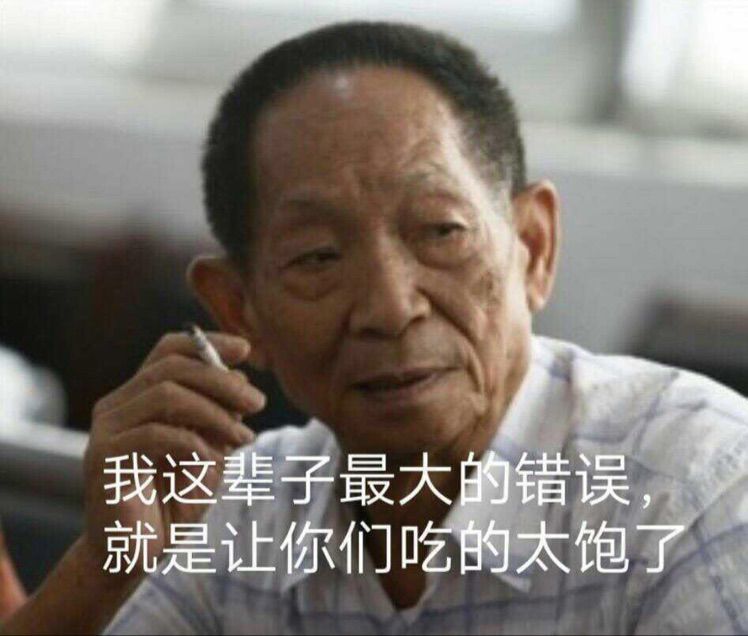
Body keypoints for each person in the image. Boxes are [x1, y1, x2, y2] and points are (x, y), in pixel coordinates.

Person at [4, 21, 748, 635]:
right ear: (238, 310)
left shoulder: (691, 486)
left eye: (441, 232)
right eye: (318, 257)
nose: (391, 308)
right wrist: (103, 567)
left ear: (533, 247)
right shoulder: (246, 510)